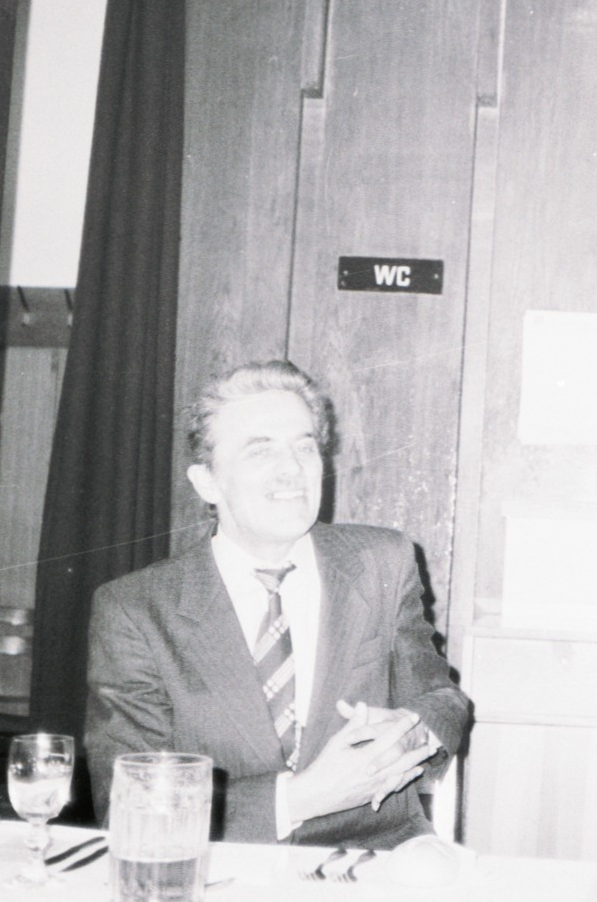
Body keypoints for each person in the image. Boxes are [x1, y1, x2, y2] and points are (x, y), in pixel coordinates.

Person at [85, 360, 470, 848]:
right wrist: (302, 798)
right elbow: (132, 807)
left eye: (304, 446)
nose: (292, 469)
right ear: (207, 482)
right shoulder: (137, 609)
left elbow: (441, 698)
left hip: (372, 860)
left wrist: (411, 730)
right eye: (259, 450)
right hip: (217, 872)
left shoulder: (382, 562)